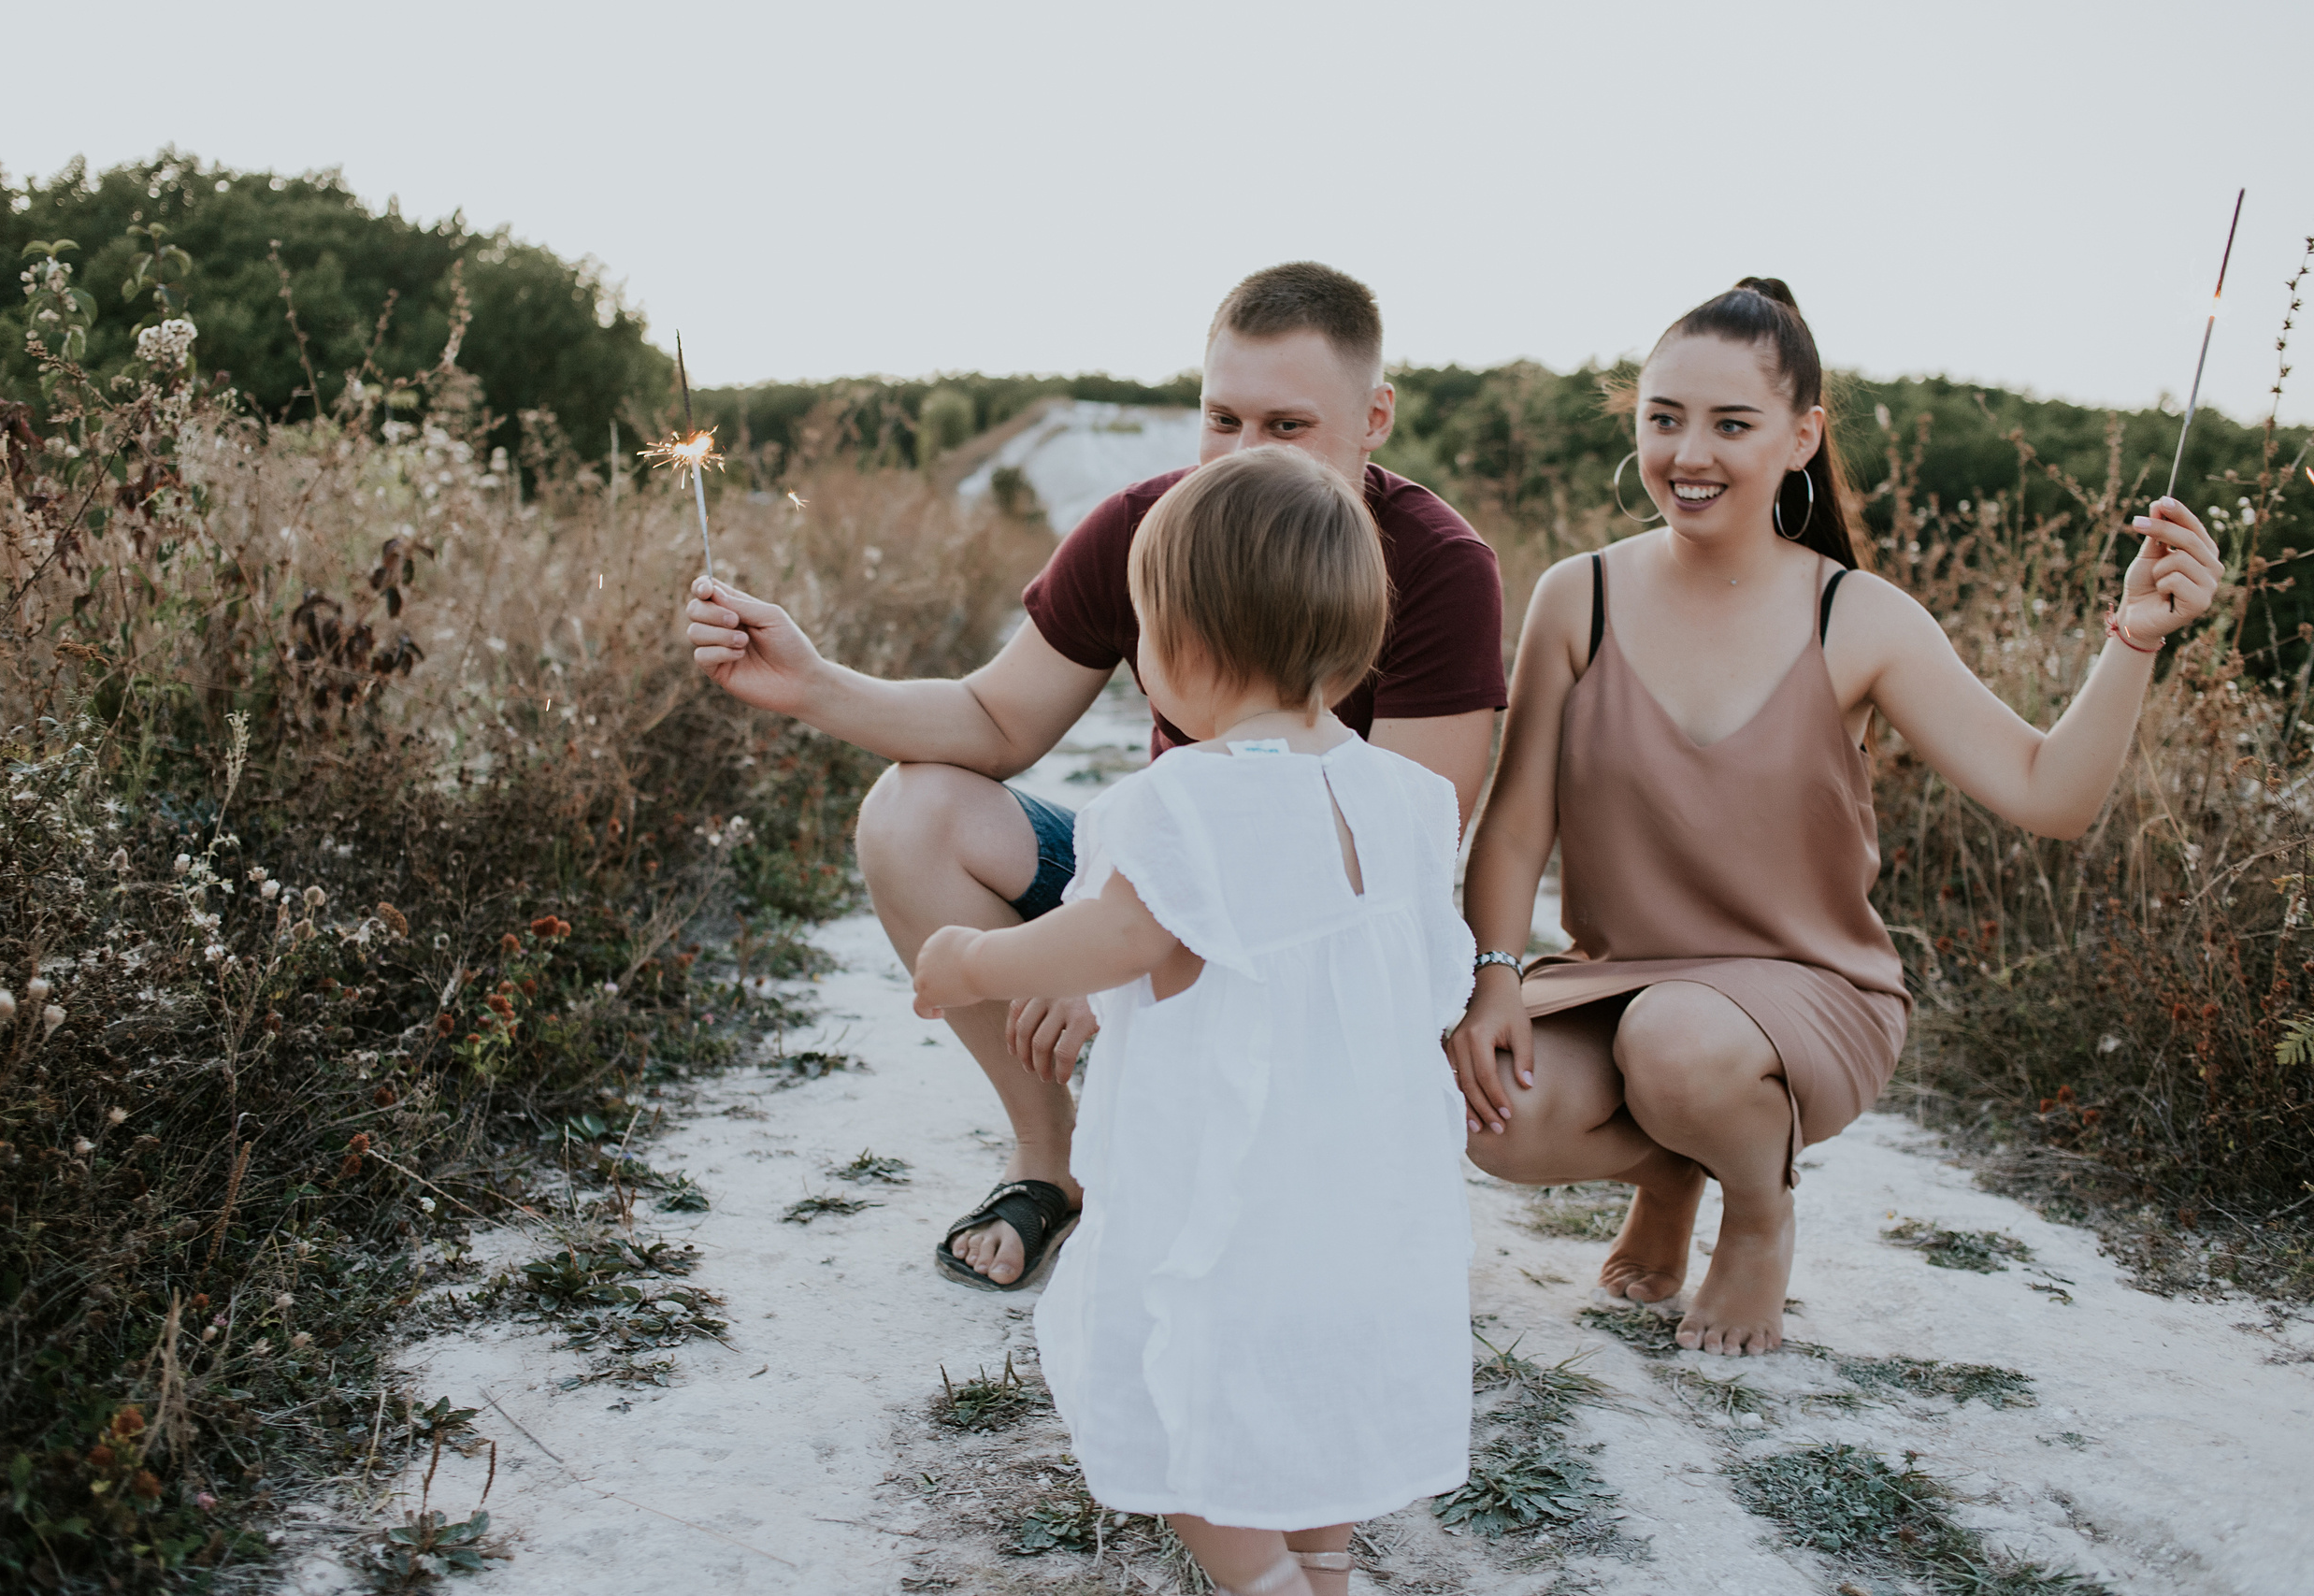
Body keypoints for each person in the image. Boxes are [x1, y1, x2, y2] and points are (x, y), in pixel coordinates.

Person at [683, 263, 1505, 1289]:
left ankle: (1279, 1200)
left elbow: (1388, 849)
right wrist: (812, 684)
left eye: (1286, 426)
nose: (1242, 455)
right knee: (913, 811)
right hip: (1161, 877)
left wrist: (1117, 949)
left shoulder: (1434, 563)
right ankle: (1050, 1160)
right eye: (1221, 420)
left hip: (1312, 940)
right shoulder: (1151, 529)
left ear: (1373, 415)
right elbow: (995, 718)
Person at [1449, 277, 2221, 1357]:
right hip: (1620, 981)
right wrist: (1492, 974)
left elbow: (2051, 795)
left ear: (1801, 435)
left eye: (1731, 423)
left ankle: (1757, 1212)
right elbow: (1516, 823)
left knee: (1676, 1045)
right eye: (1663, 418)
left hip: (1804, 990)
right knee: (1497, 1114)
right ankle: (1669, 1168)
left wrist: (2132, 639)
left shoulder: (1856, 618)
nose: (1688, 453)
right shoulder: (1577, 596)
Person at [911, 447, 1474, 1596]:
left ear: (1185, 644)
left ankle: (1262, 1584)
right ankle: (1322, 1567)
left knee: (1160, 1399)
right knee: (1311, 1408)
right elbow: (1432, 977)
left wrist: (973, 957)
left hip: (1225, 1211)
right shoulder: (1407, 800)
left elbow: (1116, 936)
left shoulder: (1181, 802)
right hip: (1364, 1210)